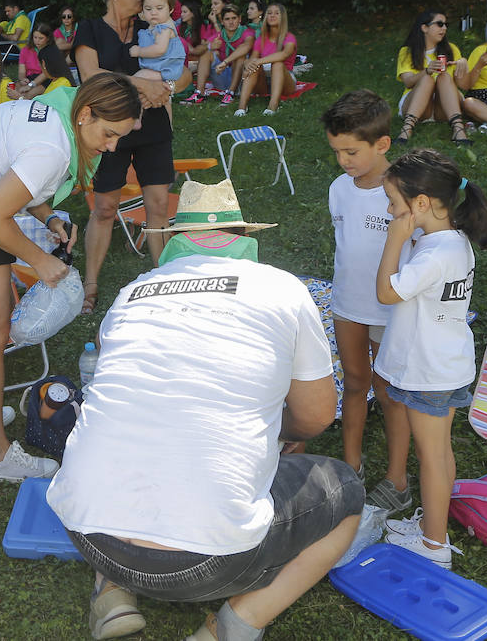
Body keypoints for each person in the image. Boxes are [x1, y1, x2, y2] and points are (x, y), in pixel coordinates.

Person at [47, 179, 363, 641]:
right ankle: (235, 624)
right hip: (215, 561)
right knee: (347, 492)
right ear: (244, 237)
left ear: (175, 240)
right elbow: (316, 417)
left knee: (127, 442)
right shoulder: (283, 290)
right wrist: (276, 432)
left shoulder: (132, 291)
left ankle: (112, 591)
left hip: (90, 537)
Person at [0, 74, 140, 482]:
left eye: (119, 139)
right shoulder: (54, 147)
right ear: (86, 113)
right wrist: (40, 260)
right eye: (109, 134)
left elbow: (15, 179)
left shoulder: (57, 115)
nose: (111, 147)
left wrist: (49, 216)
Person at [374, 149, 487, 569]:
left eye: (393, 202)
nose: (390, 211)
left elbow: (387, 293)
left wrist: (393, 240)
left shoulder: (431, 254)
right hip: (447, 364)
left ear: (421, 204)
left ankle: (433, 546)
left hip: (426, 370)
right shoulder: (453, 241)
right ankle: (435, 525)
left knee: (430, 456)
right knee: (440, 452)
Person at [74, 0, 176, 313]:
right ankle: (90, 287)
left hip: (153, 125)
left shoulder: (152, 25)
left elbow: (186, 70)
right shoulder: (88, 29)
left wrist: (166, 87)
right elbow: (90, 75)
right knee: (103, 208)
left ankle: (164, 279)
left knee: (159, 207)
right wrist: (141, 83)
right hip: (109, 130)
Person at [321, 92, 406, 505]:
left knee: (389, 392)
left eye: (352, 151)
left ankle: (397, 479)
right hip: (346, 304)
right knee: (355, 382)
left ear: (382, 144)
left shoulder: (406, 193)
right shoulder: (339, 188)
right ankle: (349, 466)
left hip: (390, 309)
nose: (344, 161)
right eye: (337, 152)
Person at [392, 10, 469, 145]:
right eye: (439, 24)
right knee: (427, 79)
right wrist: (427, 71)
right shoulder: (407, 51)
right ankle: (406, 130)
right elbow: (408, 82)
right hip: (416, 105)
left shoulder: (452, 49)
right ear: (424, 27)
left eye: (446, 24)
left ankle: (458, 130)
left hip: (444, 108)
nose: (444, 28)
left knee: (443, 77)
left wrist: (463, 64)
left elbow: (464, 85)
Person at [234, 2, 296, 117]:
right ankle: (242, 107)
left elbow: (284, 54)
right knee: (253, 65)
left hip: (285, 81)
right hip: (263, 83)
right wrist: (249, 62)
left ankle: (273, 106)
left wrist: (258, 61)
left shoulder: (289, 37)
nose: (272, 16)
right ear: (265, 16)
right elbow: (253, 59)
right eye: (269, 13)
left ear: (283, 17)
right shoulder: (261, 39)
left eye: (276, 13)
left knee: (277, 63)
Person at [128, 0, 187, 95]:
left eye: (159, 8)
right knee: (162, 101)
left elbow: (159, 49)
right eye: (148, 9)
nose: (153, 12)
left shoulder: (164, 29)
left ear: (170, 9)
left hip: (164, 71)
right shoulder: (154, 26)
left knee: (136, 80)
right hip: (158, 70)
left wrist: (139, 51)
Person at [181, 0, 241, 104]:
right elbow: (208, 45)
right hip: (221, 72)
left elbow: (222, 43)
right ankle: (199, 93)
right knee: (207, 53)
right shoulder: (211, 27)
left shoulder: (239, 27)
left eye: (216, 4)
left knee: (237, 56)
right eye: (212, 4)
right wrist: (207, 47)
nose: (213, 7)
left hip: (238, 73)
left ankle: (231, 93)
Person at [17, 28, 71, 100]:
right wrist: (22, 79)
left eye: (41, 38)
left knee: (30, 94)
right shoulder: (26, 50)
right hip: (30, 77)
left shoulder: (50, 51)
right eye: (35, 37)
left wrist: (30, 85)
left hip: (47, 78)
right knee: (16, 89)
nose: (37, 41)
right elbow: (21, 71)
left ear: (48, 39)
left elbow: (47, 72)